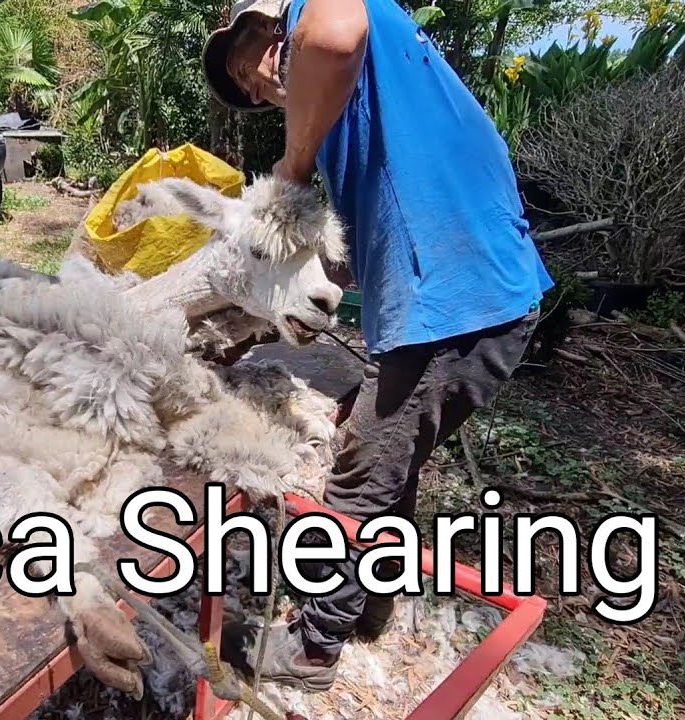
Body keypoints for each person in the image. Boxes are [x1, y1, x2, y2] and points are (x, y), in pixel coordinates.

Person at [201, 0, 555, 692]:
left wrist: (294, 165)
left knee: (363, 469)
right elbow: (324, 266)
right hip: (471, 293)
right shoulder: (366, 100)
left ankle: (311, 649)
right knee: (385, 452)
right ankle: (371, 603)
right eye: (245, 90)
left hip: (458, 303)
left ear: (267, 22)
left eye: (246, 63)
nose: (253, 87)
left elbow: (332, 35)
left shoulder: (322, 22)